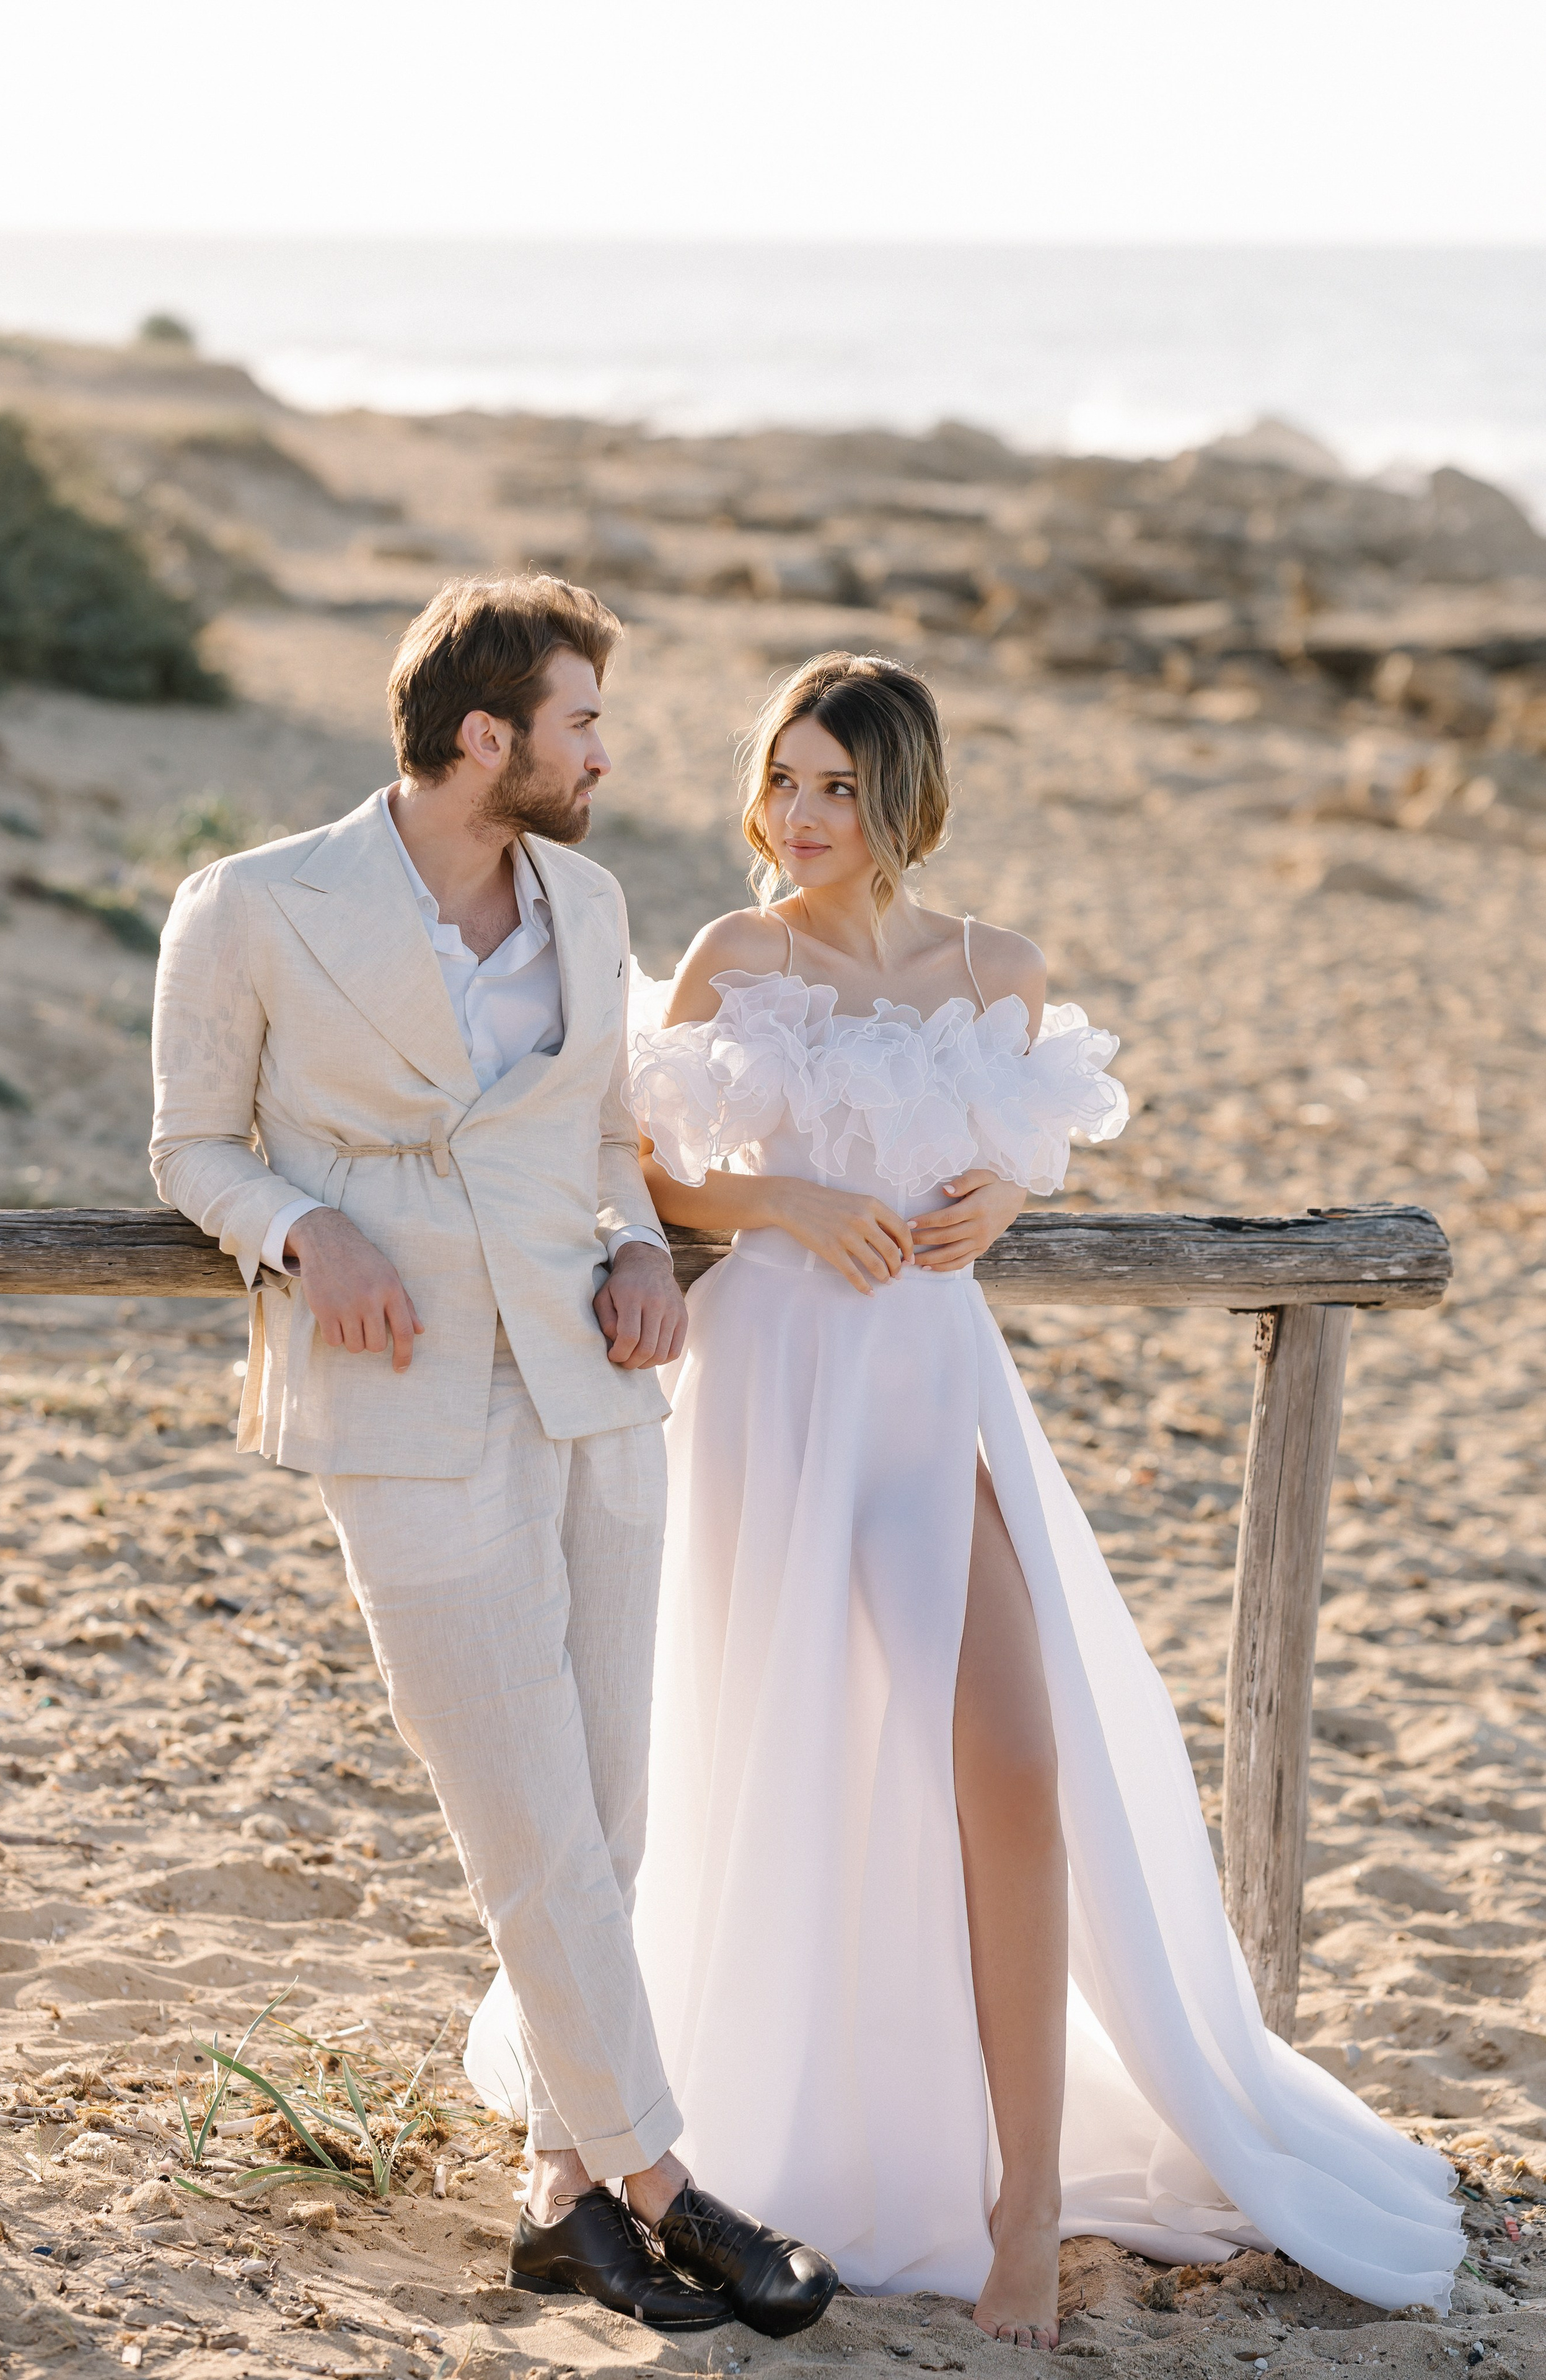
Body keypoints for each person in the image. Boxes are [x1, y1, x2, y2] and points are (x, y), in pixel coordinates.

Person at [621, 651, 1462, 2347]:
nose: (797, 816)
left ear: (904, 796)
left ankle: (1024, 2194)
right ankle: (760, 2112)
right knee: (793, 1754)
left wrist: (1001, 1190)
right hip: (772, 1391)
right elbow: (656, 1160)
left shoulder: (997, 974)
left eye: (835, 787)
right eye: (781, 780)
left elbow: (1012, 1147)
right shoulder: (737, 954)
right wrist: (783, 1199)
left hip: (934, 1393)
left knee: (1014, 1760)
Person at [148, 575, 838, 2339]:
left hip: (598, 1388)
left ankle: (558, 2200)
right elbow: (188, 1148)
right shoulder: (251, 907)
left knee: (606, 1811)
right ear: (487, 737)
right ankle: (668, 2187)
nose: (610, 753)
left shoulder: (591, 898)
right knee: (522, 1812)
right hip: (403, 1400)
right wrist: (305, 1230)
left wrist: (630, 1244)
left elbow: (609, 1138)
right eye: (584, 722)